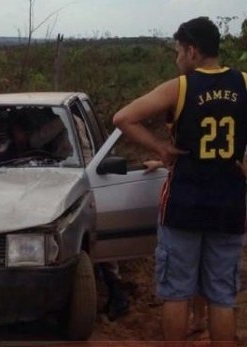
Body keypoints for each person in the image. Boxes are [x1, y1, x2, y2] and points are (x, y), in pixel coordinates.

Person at [113, 17, 247, 346]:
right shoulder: (244, 83)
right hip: (229, 204)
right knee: (222, 296)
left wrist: (161, 148)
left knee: (176, 293)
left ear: (192, 50)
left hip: (183, 203)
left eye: (178, 51)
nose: (177, 58)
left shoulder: (181, 86)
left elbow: (123, 118)